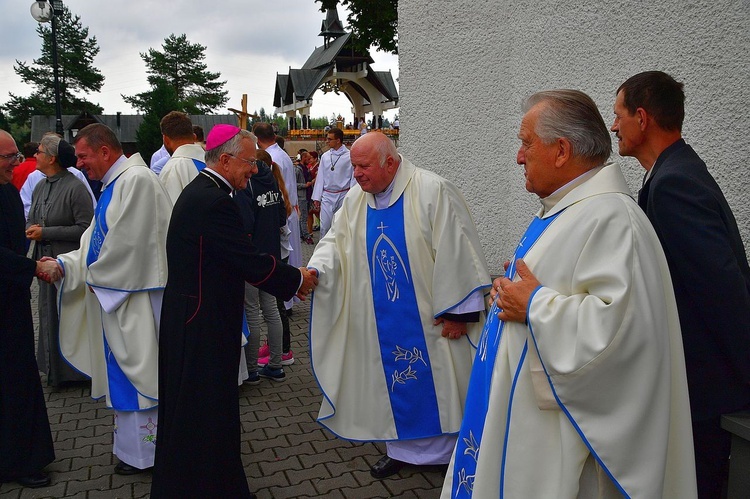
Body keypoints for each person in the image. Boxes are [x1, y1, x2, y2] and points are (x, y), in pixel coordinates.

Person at [441, 90, 697, 498]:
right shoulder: (565, 208)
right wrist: (510, 291)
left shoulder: (613, 220)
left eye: (526, 143)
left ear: (561, 151)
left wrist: (535, 304)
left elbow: (621, 336)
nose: (519, 157)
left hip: (562, 442)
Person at [308, 132, 491, 479]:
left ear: (390, 163)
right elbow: (335, 240)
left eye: (363, 167)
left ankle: (447, 455)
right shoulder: (356, 199)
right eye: (354, 167)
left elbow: (458, 251)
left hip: (430, 318)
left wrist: (458, 313)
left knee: (443, 384)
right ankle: (401, 451)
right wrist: (317, 268)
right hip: (380, 320)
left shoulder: (432, 191)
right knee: (386, 384)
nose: (357, 174)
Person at [151, 125, 317, 498]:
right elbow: (247, 261)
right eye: (248, 163)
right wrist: (297, 279)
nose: (255, 170)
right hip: (202, 324)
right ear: (224, 160)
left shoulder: (205, 191)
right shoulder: (214, 201)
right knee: (206, 413)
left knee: (196, 411)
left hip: (192, 316)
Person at [611, 71, 750, 498]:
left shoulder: (674, 185)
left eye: (617, 115)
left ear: (642, 117)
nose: (613, 126)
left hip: (707, 387)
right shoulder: (673, 172)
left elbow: (722, 291)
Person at [38, 123, 173, 476]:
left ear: (104, 151)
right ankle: (134, 453)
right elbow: (95, 242)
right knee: (127, 376)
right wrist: (66, 265)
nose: (79, 164)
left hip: (137, 301)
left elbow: (130, 248)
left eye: (82, 156)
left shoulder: (137, 181)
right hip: (118, 297)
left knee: (142, 375)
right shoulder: (115, 184)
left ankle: (151, 454)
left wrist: (93, 278)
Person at [0, 130, 55, 489]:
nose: (17, 163)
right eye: (10, 157)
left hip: (10, 299)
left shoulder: (6, 190)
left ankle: (24, 456)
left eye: (18, 155)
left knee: (18, 377)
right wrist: (31, 267)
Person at [26, 135, 93, 387]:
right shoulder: (40, 186)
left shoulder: (75, 188)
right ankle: (52, 368)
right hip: (44, 263)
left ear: (52, 158)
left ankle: (74, 371)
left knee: (67, 316)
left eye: (40, 151)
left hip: (67, 266)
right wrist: (33, 229)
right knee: (47, 314)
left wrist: (47, 233)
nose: (36, 155)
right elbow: (33, 217)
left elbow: (85, 228)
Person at [235, 149, 289, 383]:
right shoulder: (271, 180)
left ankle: (252, 370)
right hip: (273, 256)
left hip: (253, 257)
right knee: (272, 310)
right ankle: (276, 365)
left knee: (253, 313)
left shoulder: (247, 184)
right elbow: (281, 218)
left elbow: (245, 221)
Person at [311, 127, 354, 237]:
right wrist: (317, 197)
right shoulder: (325, 156)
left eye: (330, 139)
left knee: (341, 226)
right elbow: (320, 177)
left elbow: (353, 177)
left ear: (338, 140)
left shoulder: (349, 156)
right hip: (327, 195)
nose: (327, 141)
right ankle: (323, 252)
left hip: (343, 194)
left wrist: (353, 196)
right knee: (325, 226)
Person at [157, 111, 205, 202]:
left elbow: (169, 211)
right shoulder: (213, 162)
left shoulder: (172, 169)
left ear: (166, 140)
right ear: (194, 136)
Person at [295, 154, 313, 244]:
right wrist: (304, 185)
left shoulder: (306, 168)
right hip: (302, 196)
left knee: (303, 216)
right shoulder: (298, 170)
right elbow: (294, 183)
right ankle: (306, 236)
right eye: (308, 158)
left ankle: (301, 234)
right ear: (303, 158)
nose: (310, 160)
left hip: (308, 195)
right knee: (304, 217)